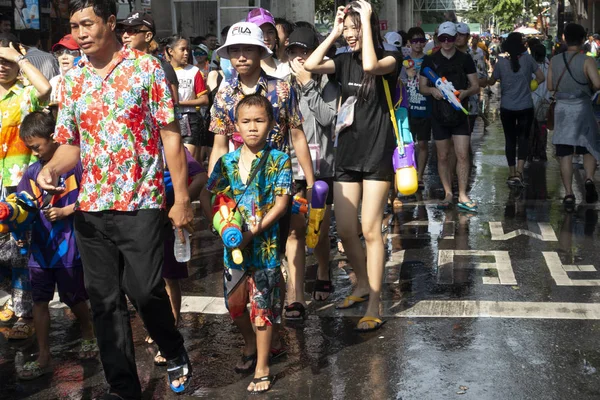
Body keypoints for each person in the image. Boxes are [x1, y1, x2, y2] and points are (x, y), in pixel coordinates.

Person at [36, 1, 194, 396]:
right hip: (91, 209)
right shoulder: (71, 80)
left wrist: (182, 199)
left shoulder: (146, 68)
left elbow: (170, 135)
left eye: (87, 23)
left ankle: (172, 346)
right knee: (104, 303)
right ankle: (123, 386)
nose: (81, 33)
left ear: (109, 23)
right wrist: (51, 170)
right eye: (75, 26)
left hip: (141, 202)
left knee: (143, 291)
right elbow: (71, 144)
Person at [304, 0, 401, 332]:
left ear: (368, 27)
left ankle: (375, 300)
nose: (349, 35)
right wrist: (333, 32)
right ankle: (360, 283)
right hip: (346, 153)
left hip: (377, 153)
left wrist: (367, 19)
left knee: (371, 230)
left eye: (353, 28)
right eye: (346, 29)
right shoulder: (342, 60)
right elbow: (311, 65)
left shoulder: (391, 59)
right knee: (346, 229)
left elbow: (372, 66)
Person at [207, 94, 292, 394]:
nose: (253, 127)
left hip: (265, 247)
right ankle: (250, 342)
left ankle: (262, 366)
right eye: (246, 121)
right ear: (235, 126)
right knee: (235, 305)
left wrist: (254, 232)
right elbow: (211, 197)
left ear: (271, 124)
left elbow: (282, 204)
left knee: (262, 307)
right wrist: (221, 224)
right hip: (233, 249)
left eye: (260, 121)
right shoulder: (226, 162)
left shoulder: (279, 159)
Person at [208, 22, 314, 234]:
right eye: (235, 50)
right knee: (240, 248)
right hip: (238, 187)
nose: (241, 56)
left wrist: (311, 185)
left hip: (277, 185)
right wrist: (214, 192)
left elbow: (298, 136)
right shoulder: (224, 95)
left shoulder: (282, 89)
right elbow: (219, 146)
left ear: (260, 51)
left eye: (248, 49)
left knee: (286, 240)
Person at [15, 111, 97, 381]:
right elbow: (21, 205)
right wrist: (16, 222)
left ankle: (88, 331)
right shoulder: (32, 172)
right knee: (39, 300)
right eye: (30, 149)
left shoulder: (75, 164)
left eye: (37, 147)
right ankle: (44, 355)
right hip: (41, 247)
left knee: (74, 297)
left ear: (53, 138)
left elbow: (93, 197)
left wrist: (65, 212)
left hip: (69, 245)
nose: (35, 153)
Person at [284, 27, 338, 318]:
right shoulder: (282, 84)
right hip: (291, 168)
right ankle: (295, 290)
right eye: (293, 51)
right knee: (294, 229)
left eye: (304, 51)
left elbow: (329, 118)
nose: (298, 57)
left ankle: (324, 268)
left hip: (322, 167)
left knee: (318, 227)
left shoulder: (328, 80)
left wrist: (308, 85)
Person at [0, 33, 50, 339]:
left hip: (20, 185)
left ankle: (24, 312)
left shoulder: (25, 94)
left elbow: (45, 88)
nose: (2, 67)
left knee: (20, 248)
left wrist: (18, 56)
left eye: (6, 62)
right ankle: (8, 299)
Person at [419, 21, 480, 212]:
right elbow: (422, 87)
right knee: (443, 156)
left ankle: (462, 194)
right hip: (438, 115)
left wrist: (464, 93)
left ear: (456, 38)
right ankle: (448, 193)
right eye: (442, 39)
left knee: (462, 154)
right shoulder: (430, 60)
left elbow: (476, 85)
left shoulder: (465, 59)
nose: (446, 42)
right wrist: (432, 90)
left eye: (450, 38)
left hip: (460, 114)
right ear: (438, 38)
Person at [547, 23, 600, 210]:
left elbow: (550, 87)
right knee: (589, 146)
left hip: (562, 111)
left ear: (564, 38)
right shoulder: (588, 60)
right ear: (583, 38)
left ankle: (569, 193)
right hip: (583, 108)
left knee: (565, 153)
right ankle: (588, 178)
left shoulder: (554, 61)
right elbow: (597, 83)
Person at [487, 32, 545, 187]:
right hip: (526, 106)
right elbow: (541, 78)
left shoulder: (500, 63)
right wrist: (531, 85)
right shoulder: (528, 60)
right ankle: (520, 172)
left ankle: (511, 173)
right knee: (523, 139)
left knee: (510, 140)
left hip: (507, 107)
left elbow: (492, 81)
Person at [118, 11, 179, 106]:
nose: (125, 35)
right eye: (122, 30)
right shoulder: (117, 65)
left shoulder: (161, 66)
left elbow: (172, 106)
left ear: (148, 36)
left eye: (132, 30)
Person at [165, 35, 209, 162]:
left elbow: (204, 99)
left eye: (187, 50)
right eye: (182, 49)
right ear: (170, 51)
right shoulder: (161, 70)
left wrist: (180, 103)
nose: (186, 53)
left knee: (188, 159)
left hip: (190, 119)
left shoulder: (194, 71)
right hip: (169, 120)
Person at [400, 26, 432, 185]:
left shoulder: (429, 60)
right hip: (408, 108)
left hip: (425, 107)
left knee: (424, 143)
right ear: (409, 43)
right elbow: (397, 83)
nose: (418, 44)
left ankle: (419, 177)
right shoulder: (403, 62)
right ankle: (410, 173)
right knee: (408, 144)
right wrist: (407, 76)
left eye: (421, 41)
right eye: (415, 41)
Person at [455, 22, 488, 131]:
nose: (458, 37)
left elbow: (484, 80)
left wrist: (470, 83)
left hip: (470, 104)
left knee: (465, 140)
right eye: (456, 34)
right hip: (450, 104)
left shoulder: (477, 54)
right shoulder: (447, 54)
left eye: (461, 35)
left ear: (467, 37)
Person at [246, 8, 291, 79]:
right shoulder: (237, 72)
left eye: (270, 32)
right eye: (260, 32)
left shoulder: (287, 71)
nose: (266, 38)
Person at [529, 44, 551, 162]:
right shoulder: (549, 66)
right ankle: (541, 152)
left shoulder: (530, 67)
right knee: (542, 128)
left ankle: (530, 153)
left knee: (531, 128)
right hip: (546, 102)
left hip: (531, 102)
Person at [49, 34, 80, 108]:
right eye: (60, 53)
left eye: (70, 52)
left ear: (80, 54)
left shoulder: (86, 81)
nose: (64, 57)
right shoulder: (53, 81)